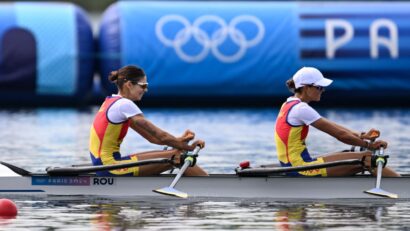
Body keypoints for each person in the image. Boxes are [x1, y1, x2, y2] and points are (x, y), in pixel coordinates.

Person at [274, 67, 400, 177]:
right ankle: (402, 188)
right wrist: (369, 146)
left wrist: (361, 135)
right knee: (367, 158)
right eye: (319, 87)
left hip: (294, 164)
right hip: (300, 169)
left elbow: (333, 126)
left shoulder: (289, 104)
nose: (322, 90)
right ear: (306, 88)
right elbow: (341, 135)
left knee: (349, 154)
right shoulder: (301, 109)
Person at [89, 65, 208, 176]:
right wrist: (190, 148)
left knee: (176, 153)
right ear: (129, 84)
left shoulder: (111, 102)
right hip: (111, 167)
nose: (145, 90)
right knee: (179, 156)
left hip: (104, 164)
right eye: (143, 85)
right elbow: (161, 136)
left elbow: (152, 138)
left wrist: (180, 141)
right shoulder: (125, 105)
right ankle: (212, 188)